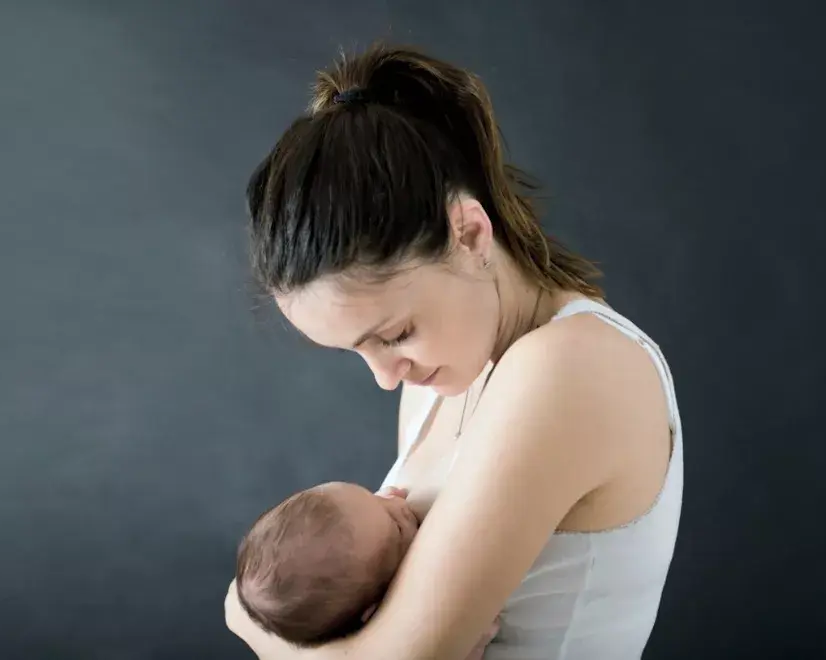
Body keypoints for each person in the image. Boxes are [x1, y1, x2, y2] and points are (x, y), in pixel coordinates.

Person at [224, 41, 683, 660]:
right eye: (356, 351)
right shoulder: (435, 381)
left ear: (469, 233)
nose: (386, 378)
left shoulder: (570, 366)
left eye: (395, 333)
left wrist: (251, 629)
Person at [233, 481, 500, 659]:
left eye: (374, 495)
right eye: (396, 524)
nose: (398, 499)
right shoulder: (425, 629)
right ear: (373, 609)